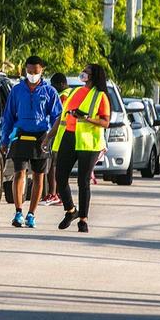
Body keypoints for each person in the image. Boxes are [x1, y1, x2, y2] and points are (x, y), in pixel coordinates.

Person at [0, 55, 62, 229]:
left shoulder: (49, 92)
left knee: (38, 176)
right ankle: (18, 211)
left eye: (35, 71)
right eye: (29, 71)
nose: (32, 74)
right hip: (21, 135)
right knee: (19, 173)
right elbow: (8, 116)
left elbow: (58, 115)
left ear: (42, 70)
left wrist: (50, 135)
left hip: (41, 137)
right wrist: (4, 140)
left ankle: (31, 214)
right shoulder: (17, 90)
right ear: (25, 70)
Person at [53, 63, 112, 233]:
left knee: (83, 181)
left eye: (86, 72)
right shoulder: (75, 92)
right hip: (69, 137)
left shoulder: (101, 96)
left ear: (94, 76)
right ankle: (71, 210)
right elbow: (62, 116)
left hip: (89, 142)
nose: (83, 73)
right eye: (83, 71)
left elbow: (105, 122)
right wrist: (50, 136)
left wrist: (86, 118)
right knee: (60, 177)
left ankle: (83, 220)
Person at [41, 72, 71, 205]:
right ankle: (58, 194)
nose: (52, 88)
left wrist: (49, 135)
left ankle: (53, 194)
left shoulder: (63, 96)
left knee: (53, 165)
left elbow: (58, 116)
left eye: (54, 85)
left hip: (59, 134)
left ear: (61, 84)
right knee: (59, 166)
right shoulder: (72, 94)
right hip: (67, 134)